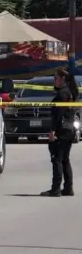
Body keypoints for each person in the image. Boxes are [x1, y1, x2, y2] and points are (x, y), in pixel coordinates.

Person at [41, 67, 78, 197]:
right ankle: (68, 188)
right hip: (69, 129)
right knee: (65, 160)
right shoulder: (70, 92)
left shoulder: (63, 94)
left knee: (57, 159)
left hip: (62, 130)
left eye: (56, 78)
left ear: (63, 79)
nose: (54, 81)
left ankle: (55, 189)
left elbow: (58, 115)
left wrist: (52, 131)